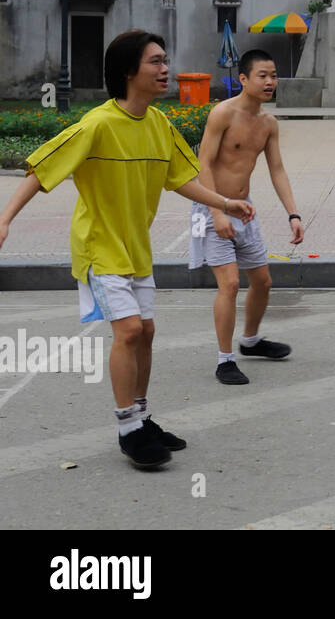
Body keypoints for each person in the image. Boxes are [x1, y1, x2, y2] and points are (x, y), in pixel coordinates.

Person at [0, 31, 255, 469]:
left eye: (164, 60)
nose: (165, 69)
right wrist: (4, 220)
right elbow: (41, 171)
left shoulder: (159, 125)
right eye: (155, 61)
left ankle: (141, 415)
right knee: (131, 331)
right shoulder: (97, 124)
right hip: (98, 246)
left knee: (148, 333)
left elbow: (181, 179)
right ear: (128, 71)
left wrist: (225, 203)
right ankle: (127, 430)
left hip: (136, 246)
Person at [190, 48, 304, 385]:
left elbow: (277, 170)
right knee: (228, 283)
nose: (270, 82)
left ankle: (251, 341)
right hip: (212, 208)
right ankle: (225, 360)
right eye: (263, 76)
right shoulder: (222, 114)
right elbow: (203, 165)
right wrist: (217, 211)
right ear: (243, 79)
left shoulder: (269, 123)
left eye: (273, 76)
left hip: (245, 209)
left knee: (263, 282)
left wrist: (293, 214)